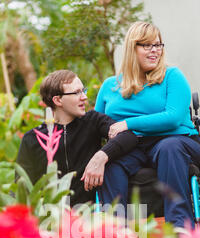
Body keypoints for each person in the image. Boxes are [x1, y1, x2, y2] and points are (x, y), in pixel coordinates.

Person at [94, 21, 200, 229]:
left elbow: (173, 117)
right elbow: (96, 124)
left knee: (168, 148)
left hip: (175, 141)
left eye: (158, 45)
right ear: (131, 48)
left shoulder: (172, 76)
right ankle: (117, 232)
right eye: (147, 45)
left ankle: (180, 227)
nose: (155, 51)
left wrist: (127, 123)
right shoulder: (110, 86)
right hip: (129, 147)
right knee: (110, 163)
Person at [16, 69, 138, 206]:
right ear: (57, 100)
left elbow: (128, 136)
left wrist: (101, 156)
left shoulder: (93, 121)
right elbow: (21, 187)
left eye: (83, 91)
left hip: (91, 215)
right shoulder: (32, 139)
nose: (84, 97)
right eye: (76, 93)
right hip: (51, 219)